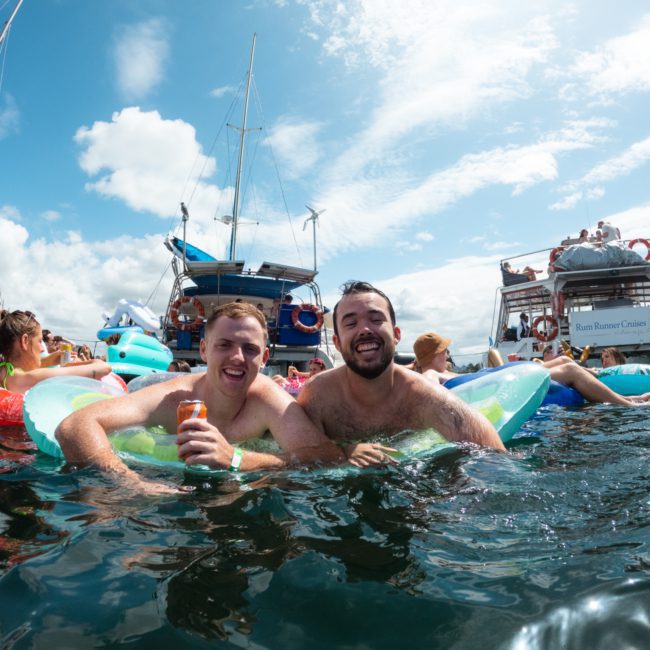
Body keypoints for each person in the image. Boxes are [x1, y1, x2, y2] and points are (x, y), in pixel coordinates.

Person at [56, 302, 345, 490]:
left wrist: (236, 458)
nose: (237, 358)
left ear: (265, 357)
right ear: (205, 350)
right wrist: (132, 483)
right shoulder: (171, 398)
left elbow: (326, 456)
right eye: (224, 345)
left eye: (250, 349)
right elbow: (74, 426)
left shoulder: (267, 400)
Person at [296, 281, 505, 467]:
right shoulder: (318, 395)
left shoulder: (424, 398)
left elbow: (494, 455)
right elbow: (302, 455)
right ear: (338, 343)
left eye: (376, 319)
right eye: (351, 323)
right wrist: (343, 452)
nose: (365, 329)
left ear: (396, 335)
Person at [414, 331, 649, 407]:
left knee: (565, 362)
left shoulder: (443, 371)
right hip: (503, 383)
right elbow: (428, 389)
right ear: (435, 355)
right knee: (571, 371)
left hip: (500, 376)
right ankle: (630, 404)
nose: (447, 355)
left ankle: (629, 397)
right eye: (444, 351)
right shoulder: (432, 373)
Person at [0, 310, 112, 394]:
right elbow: (104, 368)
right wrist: (73, 364)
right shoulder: (29, 378)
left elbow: (24, 366)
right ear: (25, 341)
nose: (42, 349)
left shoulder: (4, 372)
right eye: (39, 341)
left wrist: (52, 359)